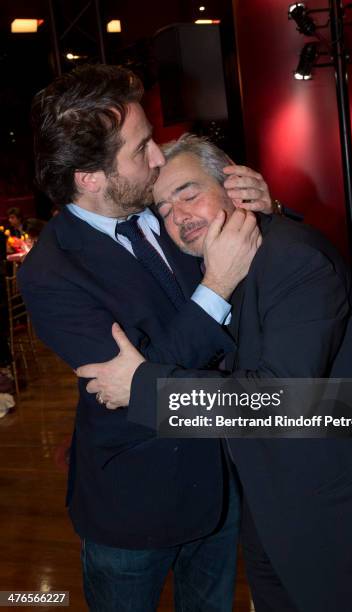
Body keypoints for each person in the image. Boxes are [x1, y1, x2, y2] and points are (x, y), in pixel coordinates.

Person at [78, 134, 352, 612]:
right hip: (272, 511)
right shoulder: (219, 260)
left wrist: (142, 388)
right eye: (164, 209)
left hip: (334, 520)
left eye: (188, 193)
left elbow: (278, 402)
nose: (178, 216)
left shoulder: (296, 261)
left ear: (235, 184)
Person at [17, 64, 276, 612]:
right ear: (89, 176)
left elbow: (150, 372)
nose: (159, 157)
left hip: (218, 477)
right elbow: (145, 391)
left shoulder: (159, 206)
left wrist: (262, 210)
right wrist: (218, 283)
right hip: (132, 501)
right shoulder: (49, 272)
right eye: (140, 150)